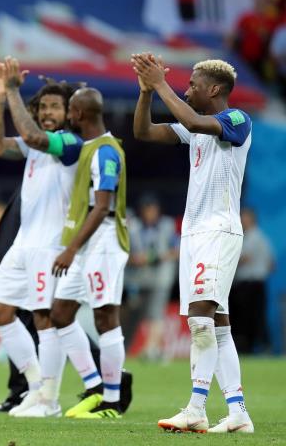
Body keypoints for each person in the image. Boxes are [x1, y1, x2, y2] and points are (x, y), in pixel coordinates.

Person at [132, 53, 254, 433]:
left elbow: (192, 119)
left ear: (214, 89)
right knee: (217, 325)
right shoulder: (195, 128)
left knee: (199, 318)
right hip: (195, 234)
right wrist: (145, 92)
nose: (187, 90)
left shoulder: (236, 120)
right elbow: (144, 132)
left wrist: (161, 84)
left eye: (193, 85)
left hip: (219, 230)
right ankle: (238, 413)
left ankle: (196, 407)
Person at [0, 58, 81, 418]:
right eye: (42, 107)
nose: (47, 112)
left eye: (56, 106)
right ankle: (37, 386)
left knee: (44, 318)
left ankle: (50, 401)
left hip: (51, 244)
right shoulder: (34, 146)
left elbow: (33, 137)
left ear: (70, 112)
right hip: (24, 243)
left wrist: (12, 92)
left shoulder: (71, 143)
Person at [49, 84, 130, 420]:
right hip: (86, 243)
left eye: (70, 110)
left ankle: (112, 401)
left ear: (79, 114)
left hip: (103, 242)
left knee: (105, 316)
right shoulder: (89, 148)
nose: (68, 116)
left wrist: (70, 249)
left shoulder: (105, 152)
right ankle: (97, 386)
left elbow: (102, 207)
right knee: (60, 313)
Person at [126, 194, 178, 361]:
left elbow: (177, 249)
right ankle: (126, 348)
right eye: (146, 209)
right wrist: (133, 258)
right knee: (132, 313)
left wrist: (156, 257)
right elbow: (122, 250)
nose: (150, 213)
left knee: (155, 313)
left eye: (152, 209)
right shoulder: (132, 226)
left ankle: (151, 349)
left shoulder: (167, 225)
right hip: (136, 278)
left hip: (160, 277)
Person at [232, 208, 274, 353]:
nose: (241, 220)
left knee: (247, 318)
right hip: (258, 283)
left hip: (249, 284)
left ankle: (249, 347)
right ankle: (262, 346)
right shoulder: (263, 237)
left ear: (250, 219)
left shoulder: (251, 236)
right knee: (257, 316)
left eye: (243, 217)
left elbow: (244, 258)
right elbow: (271, 264)